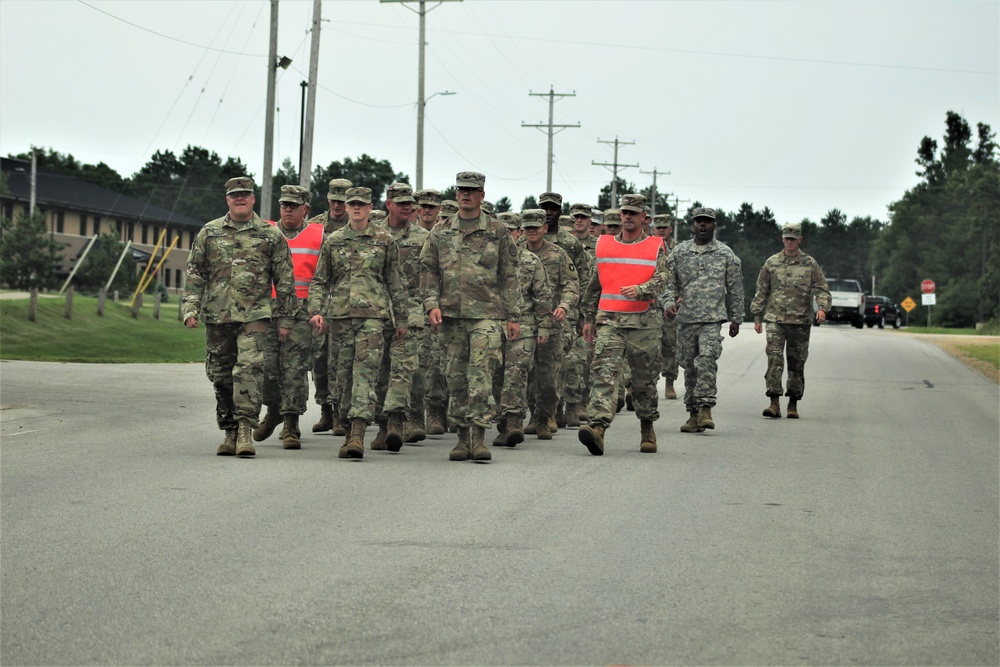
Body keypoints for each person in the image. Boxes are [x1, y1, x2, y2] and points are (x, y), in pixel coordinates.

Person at [183, 176, 296, 458]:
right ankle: (229, 431)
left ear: (253, 198)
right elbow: (195, 272)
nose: (240, 199)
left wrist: (285, 319)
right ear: (228, 200)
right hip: (218, 315)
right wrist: (190, 308)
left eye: (245, 194)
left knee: (248, 369)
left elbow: (285, 280)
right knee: (220, 376)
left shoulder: (270, 235)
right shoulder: (209, 233)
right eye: (235, 195)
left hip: (255, 315)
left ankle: (246, 429)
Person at [419, 171, 521, 462]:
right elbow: (428, 270)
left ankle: (478, 437)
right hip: (450, 315)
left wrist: (513, 316)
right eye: (461, 189)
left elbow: (509, 276)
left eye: (472, 190)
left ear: (482, 196)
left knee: (481, 373)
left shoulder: (498, 232)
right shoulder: (440, 231)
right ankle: (461, 438)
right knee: (455, 377)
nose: (465, 194)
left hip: (487, 315)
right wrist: (431, 304)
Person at [307, 187, 409, 459]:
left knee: (364, 374)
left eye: (361, 204)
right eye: (352, 203)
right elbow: (320, 280)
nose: (355, 208)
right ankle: (347, 420)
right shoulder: (335, 240)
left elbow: (396, 284)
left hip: (372, 319)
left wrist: (401, 320)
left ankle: (357, 434)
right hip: (339, 319)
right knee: (342, 378)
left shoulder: (384, 241)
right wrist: (316, 310)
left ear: (370, 207)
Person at [578, 194, 669, 455]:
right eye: (624, 212)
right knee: (603, 375)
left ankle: (647, 427)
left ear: (644, 218)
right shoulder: (605, 245)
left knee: (644, 380)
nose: (627, 217)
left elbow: (664, 277)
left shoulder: (655, 246)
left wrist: (642, 289)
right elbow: (596, 284)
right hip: (609, 321)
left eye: (633, 213)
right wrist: (587, 317)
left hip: (643, 323)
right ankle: (597, 428)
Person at [253, 185, 324, 450]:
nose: (288, 210)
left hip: (301, 313)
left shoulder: (319, 235)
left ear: (306, 208)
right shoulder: (265, 232)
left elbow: (323, 276)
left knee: (294, 369)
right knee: (266, 368)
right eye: (285, 205)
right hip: (265, 311)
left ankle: (291, 423)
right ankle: (273, 410)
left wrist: (319, 310)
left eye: (294, 205)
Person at [663, 207, 744, 432]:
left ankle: (706, 406)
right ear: (692, 225)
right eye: (699, 221)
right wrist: (668, 303)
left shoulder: (725, 254)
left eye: (707, 222)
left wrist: (736, 318)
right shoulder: (679, 253)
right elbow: (668, 284)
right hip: (686, 319)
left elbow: (735, 288)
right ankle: (693, 414)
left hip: (712, 319)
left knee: (707, 360)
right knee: (689, 367)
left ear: (714, 225)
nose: (702, 225)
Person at [750, 222, 831, 419]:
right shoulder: (771, 263)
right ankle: (774, 402)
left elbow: (821, 288)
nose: (789, 242)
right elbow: (762, 290)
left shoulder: (810, 264)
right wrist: (757, 316)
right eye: (787, 238)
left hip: (800, 321)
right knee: (775, 360)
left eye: (793, 239)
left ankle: (793, 403)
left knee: (797, 363)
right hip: (775, 320)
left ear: (800, 240)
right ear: (782, 239)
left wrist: (822, 308)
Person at [374, 183, 429, 449]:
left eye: (411, 203)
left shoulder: (424, 238)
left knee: (404, 368)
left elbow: (432, 277)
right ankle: (383, 426)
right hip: (377, 312)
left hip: (412, 312)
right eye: (402, 203)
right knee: (380, 371)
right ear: (388, 204)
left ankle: (398, 421)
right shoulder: (374, 234)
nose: (408, 207)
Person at [493, 211, 552, 447]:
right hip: (494, 327)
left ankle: (514, 422)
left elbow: (543, 296)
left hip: (524, 327)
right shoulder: (488, 260)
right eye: (503, 230)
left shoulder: (529, 261)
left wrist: (544, 328)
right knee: (496, 376)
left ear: (519, 233)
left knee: (515, 376)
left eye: (512, 230)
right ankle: (501, 424)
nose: (508, 235)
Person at [521, 208, 577, 439]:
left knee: (548, 376)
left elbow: (571, 284)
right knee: (525, 374)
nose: (532, 231)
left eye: (536, 227)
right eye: (528, 228)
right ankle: (533, 415)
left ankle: (546, 417)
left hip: (552, 323)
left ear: (545, 228)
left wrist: (564, 305)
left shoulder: (558, 255)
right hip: (523, 322)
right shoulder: (513, 254)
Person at [307, 177, 352, 436]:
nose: (337, 205)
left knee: (342, 359)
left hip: (347, 298)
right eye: (334, 200)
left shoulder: (358, 225)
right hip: (321, 296)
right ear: (327, 199)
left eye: (342, 200)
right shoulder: (314, 226)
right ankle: (325, 408)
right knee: (320, 357)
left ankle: (340, 412)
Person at [651, 213, 680, 400]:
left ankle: (670, 382)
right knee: (651, 345)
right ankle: (650, 383)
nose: (661, 231)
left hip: (672, 305)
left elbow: (684, 275)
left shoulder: (679, 250)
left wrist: (682, 296)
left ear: (670, 229)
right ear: (653, 229)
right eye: (658, 228)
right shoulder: (647, 247)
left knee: (670, 344)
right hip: (652, 302)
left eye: (664, 227)